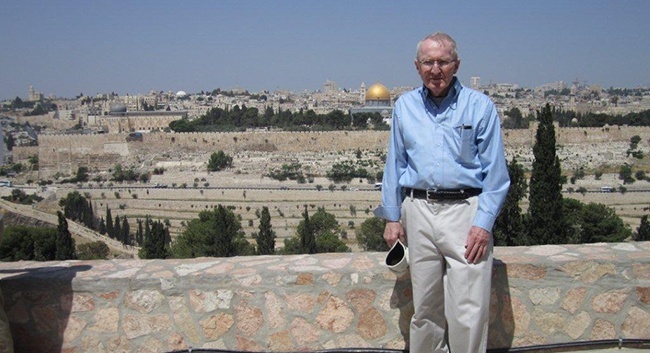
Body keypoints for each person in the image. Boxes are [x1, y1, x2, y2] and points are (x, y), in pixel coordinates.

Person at [374, 32, 510, 353]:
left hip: (465, 212)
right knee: (425, 309)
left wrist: (483, 223)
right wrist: (392, 217)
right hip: (418, 212)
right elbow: (395, 163)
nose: (436, 69)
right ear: (417, 66)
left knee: (468, 310)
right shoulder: (405, 107)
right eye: (428, 62)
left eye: (443, 62)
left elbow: (497, 175)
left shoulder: (479, 107)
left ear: (456, 65)